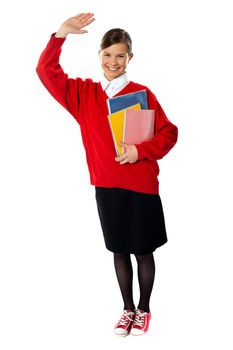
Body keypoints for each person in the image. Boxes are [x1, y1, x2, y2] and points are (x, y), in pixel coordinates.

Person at [36, 12, 178, 337]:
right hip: (106, 186)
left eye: (120, 55)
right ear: (99, 55)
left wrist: (139, 151)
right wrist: (60, 34)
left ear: (130, 57)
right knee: (118, 251)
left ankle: (144, 310)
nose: (113, 61)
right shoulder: (83, 94)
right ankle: (127, 309)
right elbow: (46, 71)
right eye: (107, 54)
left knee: (143, 251)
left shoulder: (141, 94)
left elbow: (168, 133)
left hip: (141, 186)